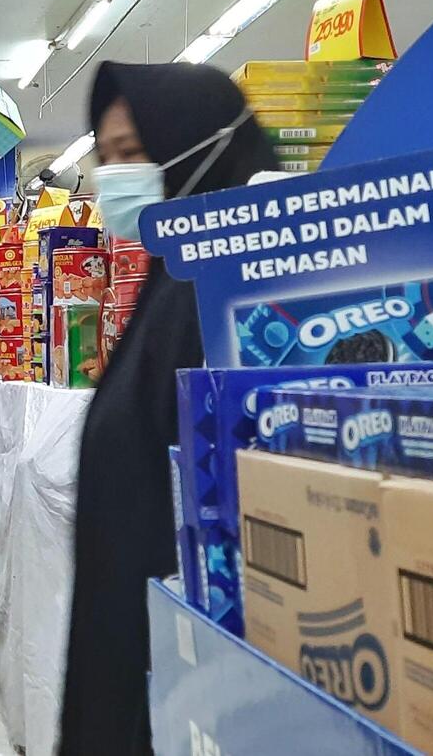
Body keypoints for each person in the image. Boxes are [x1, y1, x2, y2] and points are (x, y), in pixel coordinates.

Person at [58, 62, 274, 755]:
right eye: (106, 155)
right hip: (134, 634)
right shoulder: (170, 284)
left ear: (201, 145)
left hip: (183, 666)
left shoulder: (228, 298)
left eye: (131, 153)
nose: (110, 176)